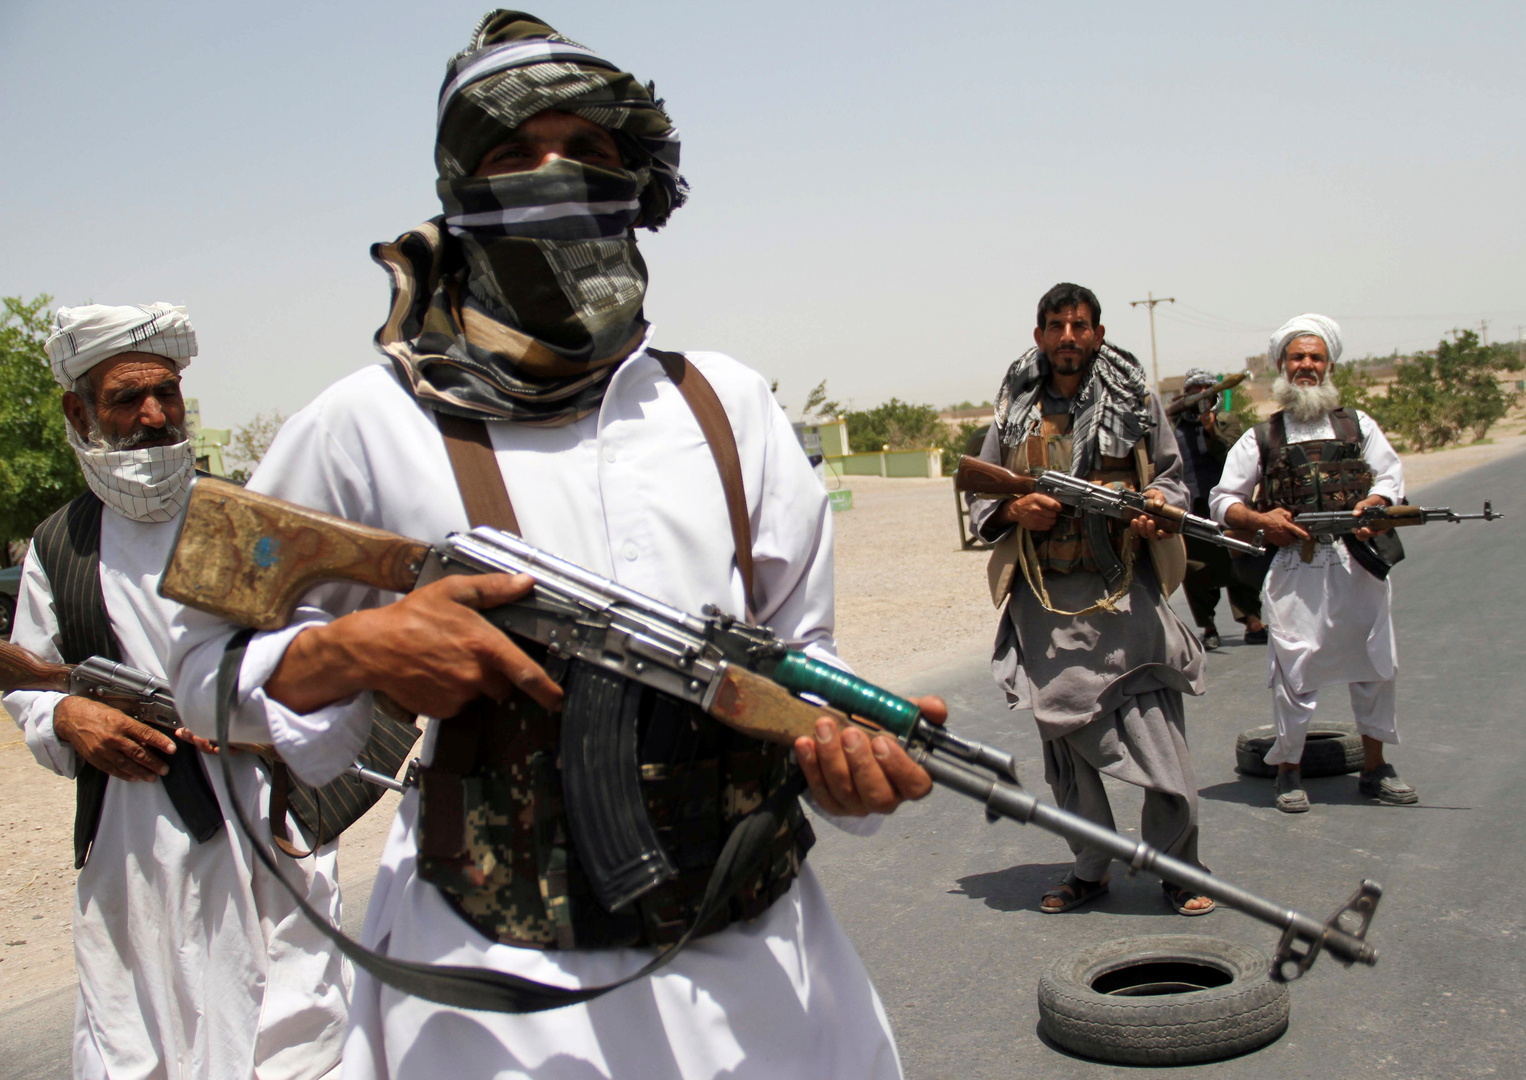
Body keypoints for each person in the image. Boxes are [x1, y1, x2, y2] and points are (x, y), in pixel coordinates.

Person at [168, 12, 939, 1079]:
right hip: (491, 992)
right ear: (458, 187)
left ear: (633, 183)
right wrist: (356, 651)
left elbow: (802, 654)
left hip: (755, 968)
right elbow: (199, 675)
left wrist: (844, 764)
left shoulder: (726, 408)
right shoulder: (365, 423)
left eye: (586, 150)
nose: (554, 177)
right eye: (514, 155)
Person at [3, 303, 348, 1078]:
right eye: (128, 398)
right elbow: (29, 681)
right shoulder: (59, 545)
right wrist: (69, 715)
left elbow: (326, 650)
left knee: (294, 1034)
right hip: (133, 838)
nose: (155, 415)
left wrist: (256, 713)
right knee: (140, 1037)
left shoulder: (247, 518)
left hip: (265, 814)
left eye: (167, 393)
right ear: (80, 413)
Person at [968, 283, 1213, 917]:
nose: (1068, 337)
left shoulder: (1135, 402)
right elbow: (980, 498)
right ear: (1040, 335)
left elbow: (1171, 478)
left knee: (1157, 733)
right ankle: (1089, 867)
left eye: (1080, 326)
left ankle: (1178, 868)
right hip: (1045, 603)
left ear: (1098, 334)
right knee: (1067, 747)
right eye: (1056, 326)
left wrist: (1158, 506)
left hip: (1125, 595)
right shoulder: (1015, 409)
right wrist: (1015, 510)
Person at [1210, 314, 1416, 813]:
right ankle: (1288, 771)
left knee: (1375, 665)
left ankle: (1375, 768)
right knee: (1294, 668)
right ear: (1282, 366)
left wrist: (1376, 504)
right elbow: (1222, 501)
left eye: (1315, 357)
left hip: (1356, 562)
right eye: (1297, 357)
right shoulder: (1262, 436)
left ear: (1329, 365)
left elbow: (1390, 478)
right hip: (1295, 567)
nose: (1306, 365)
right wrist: (1261, 519)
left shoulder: (1357, 425)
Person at [1171, 367, 1268, 649]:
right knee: (1195, 569)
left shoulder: (1228, 422)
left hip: (1227, 505)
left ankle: (1253, 621)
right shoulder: (1174, 426)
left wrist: (1211, 429)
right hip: (1191, 505)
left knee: (1239, 558)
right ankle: (1208, 627)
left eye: (1207, 391)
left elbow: (1232, 457)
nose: (1202, 397)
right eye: (1195, 392)